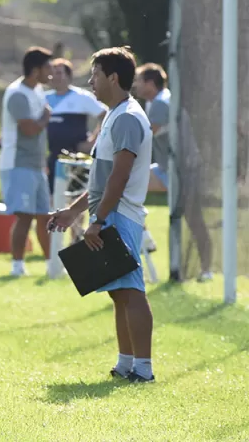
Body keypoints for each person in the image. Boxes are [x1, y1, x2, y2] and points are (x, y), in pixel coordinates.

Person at [49, 47, 155, 383]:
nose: (90, 81)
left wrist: (97, 220)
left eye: (94, 75)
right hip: (110, 212)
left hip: (120, 215)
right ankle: (126, 363)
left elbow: (119, 177)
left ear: (113, 77)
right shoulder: (114, 114)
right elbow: (100, 178)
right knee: (119, 291)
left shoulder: (126, 117)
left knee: (132, 289)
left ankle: (144, 369)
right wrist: (73, 211)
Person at [133, 63, 213, 280]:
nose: (135, 85)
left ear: (150, 83)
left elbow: (144, 137)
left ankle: (207, 269)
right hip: (166, 168)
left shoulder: (159, 103)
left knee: (193, 219)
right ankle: (145, 236)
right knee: (126, 185)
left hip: (184, 170)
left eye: (138, 80)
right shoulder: (156, 101)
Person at [0, 47, 54, 276]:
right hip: (17, 163)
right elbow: (29, 129)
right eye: (47, 67)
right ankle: (17, 266)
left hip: (36, 164)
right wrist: (44, 118)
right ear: (35, 70)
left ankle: (52, 265)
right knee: (25, 216)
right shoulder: (17, 94)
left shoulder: (38, 90)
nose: (51, 72)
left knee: (45, 216)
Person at [45, 57, 106, 196]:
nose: (55, 76)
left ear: (68, 76)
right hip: (53, 157)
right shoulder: (43, 98)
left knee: (75, 197)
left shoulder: (82, 97)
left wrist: (92, 142)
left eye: (59, 73)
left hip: (76, 158)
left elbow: (105, 115)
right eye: (52, 72)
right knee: (52, 197)